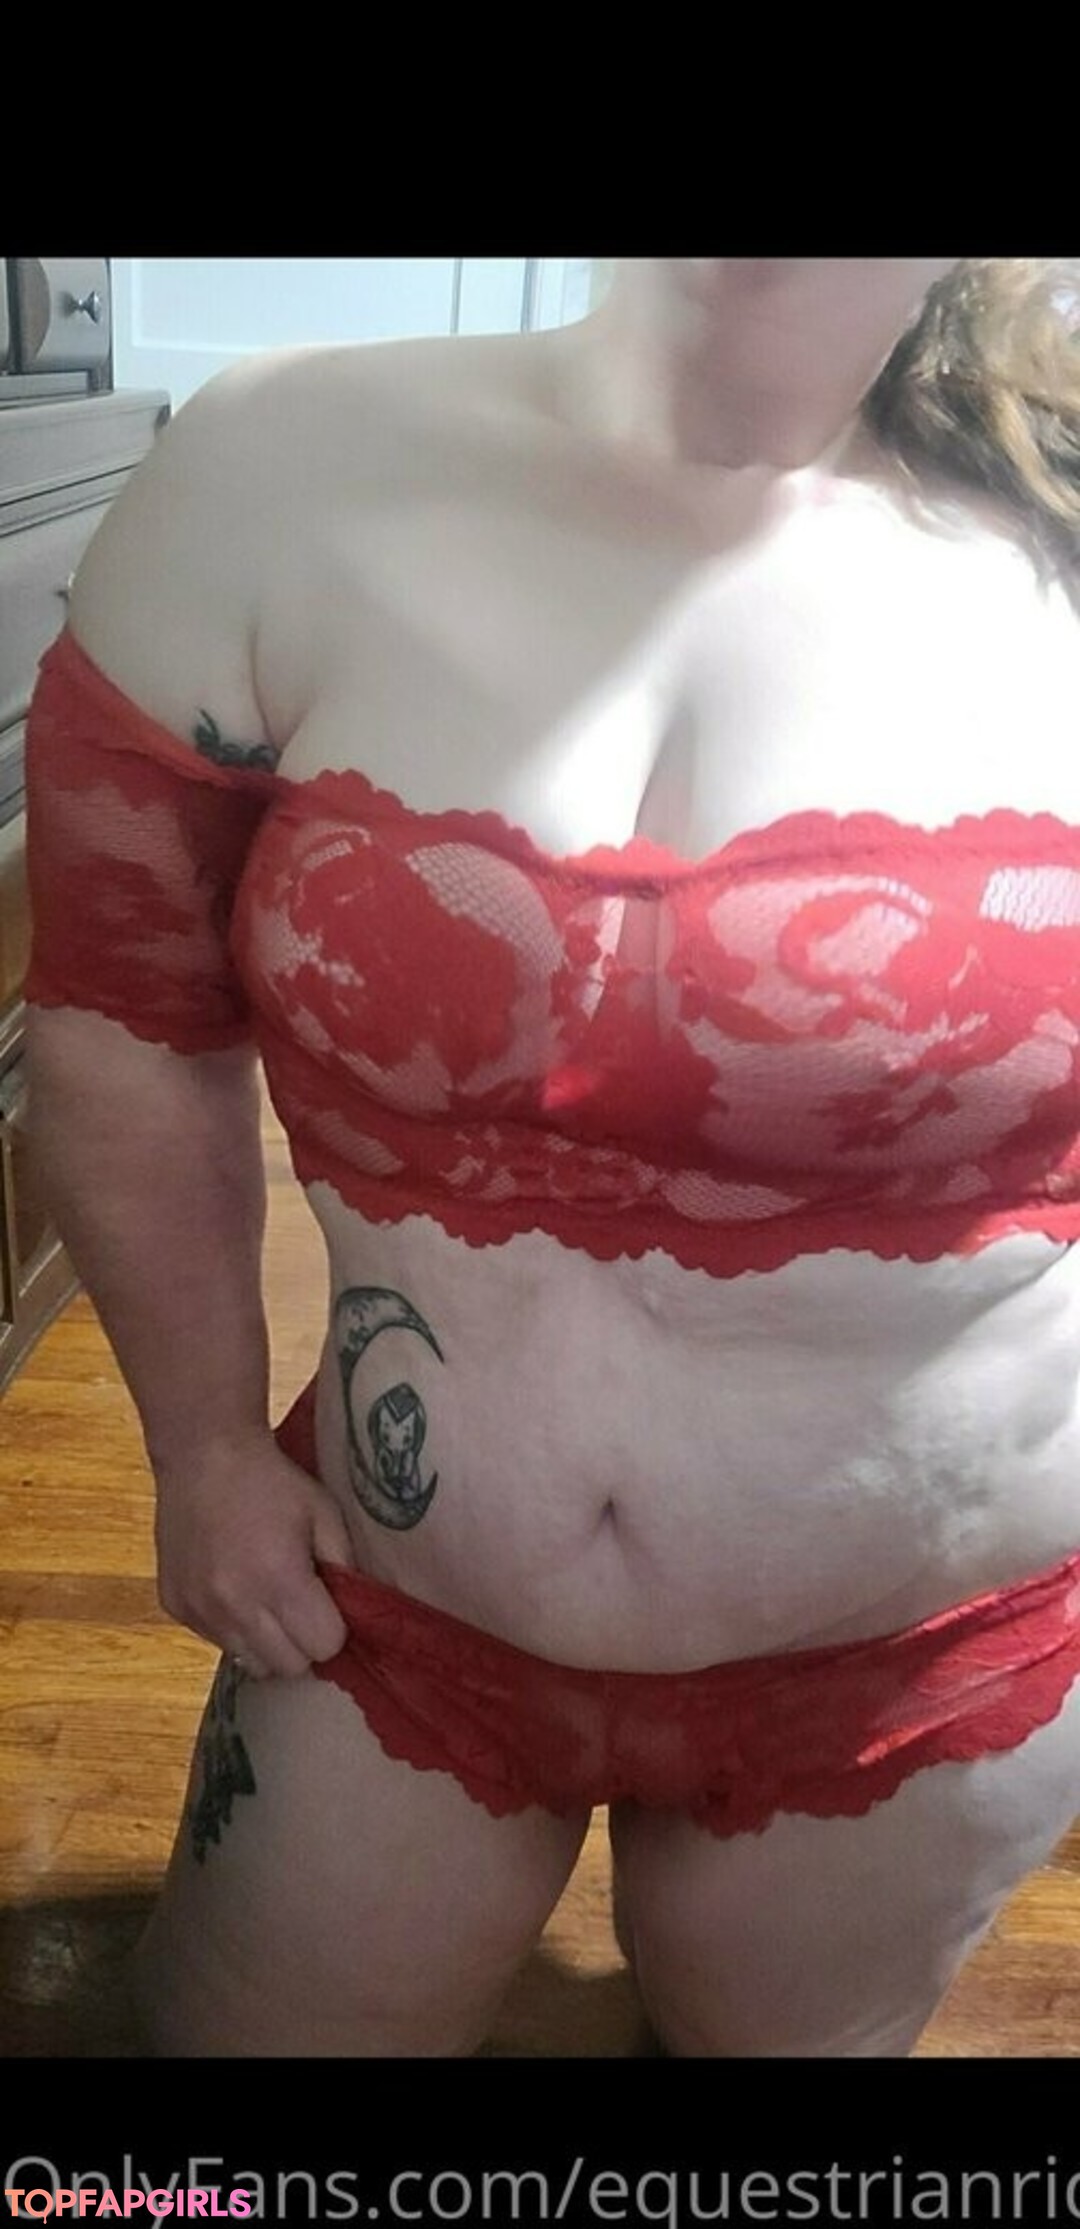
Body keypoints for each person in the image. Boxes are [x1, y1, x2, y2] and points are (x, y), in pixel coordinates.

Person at [22, 257, 1080, 2059]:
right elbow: (123, 1023)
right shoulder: (269, 468)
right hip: (390, 1598)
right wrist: (198, 1448)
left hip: (920, 1662)